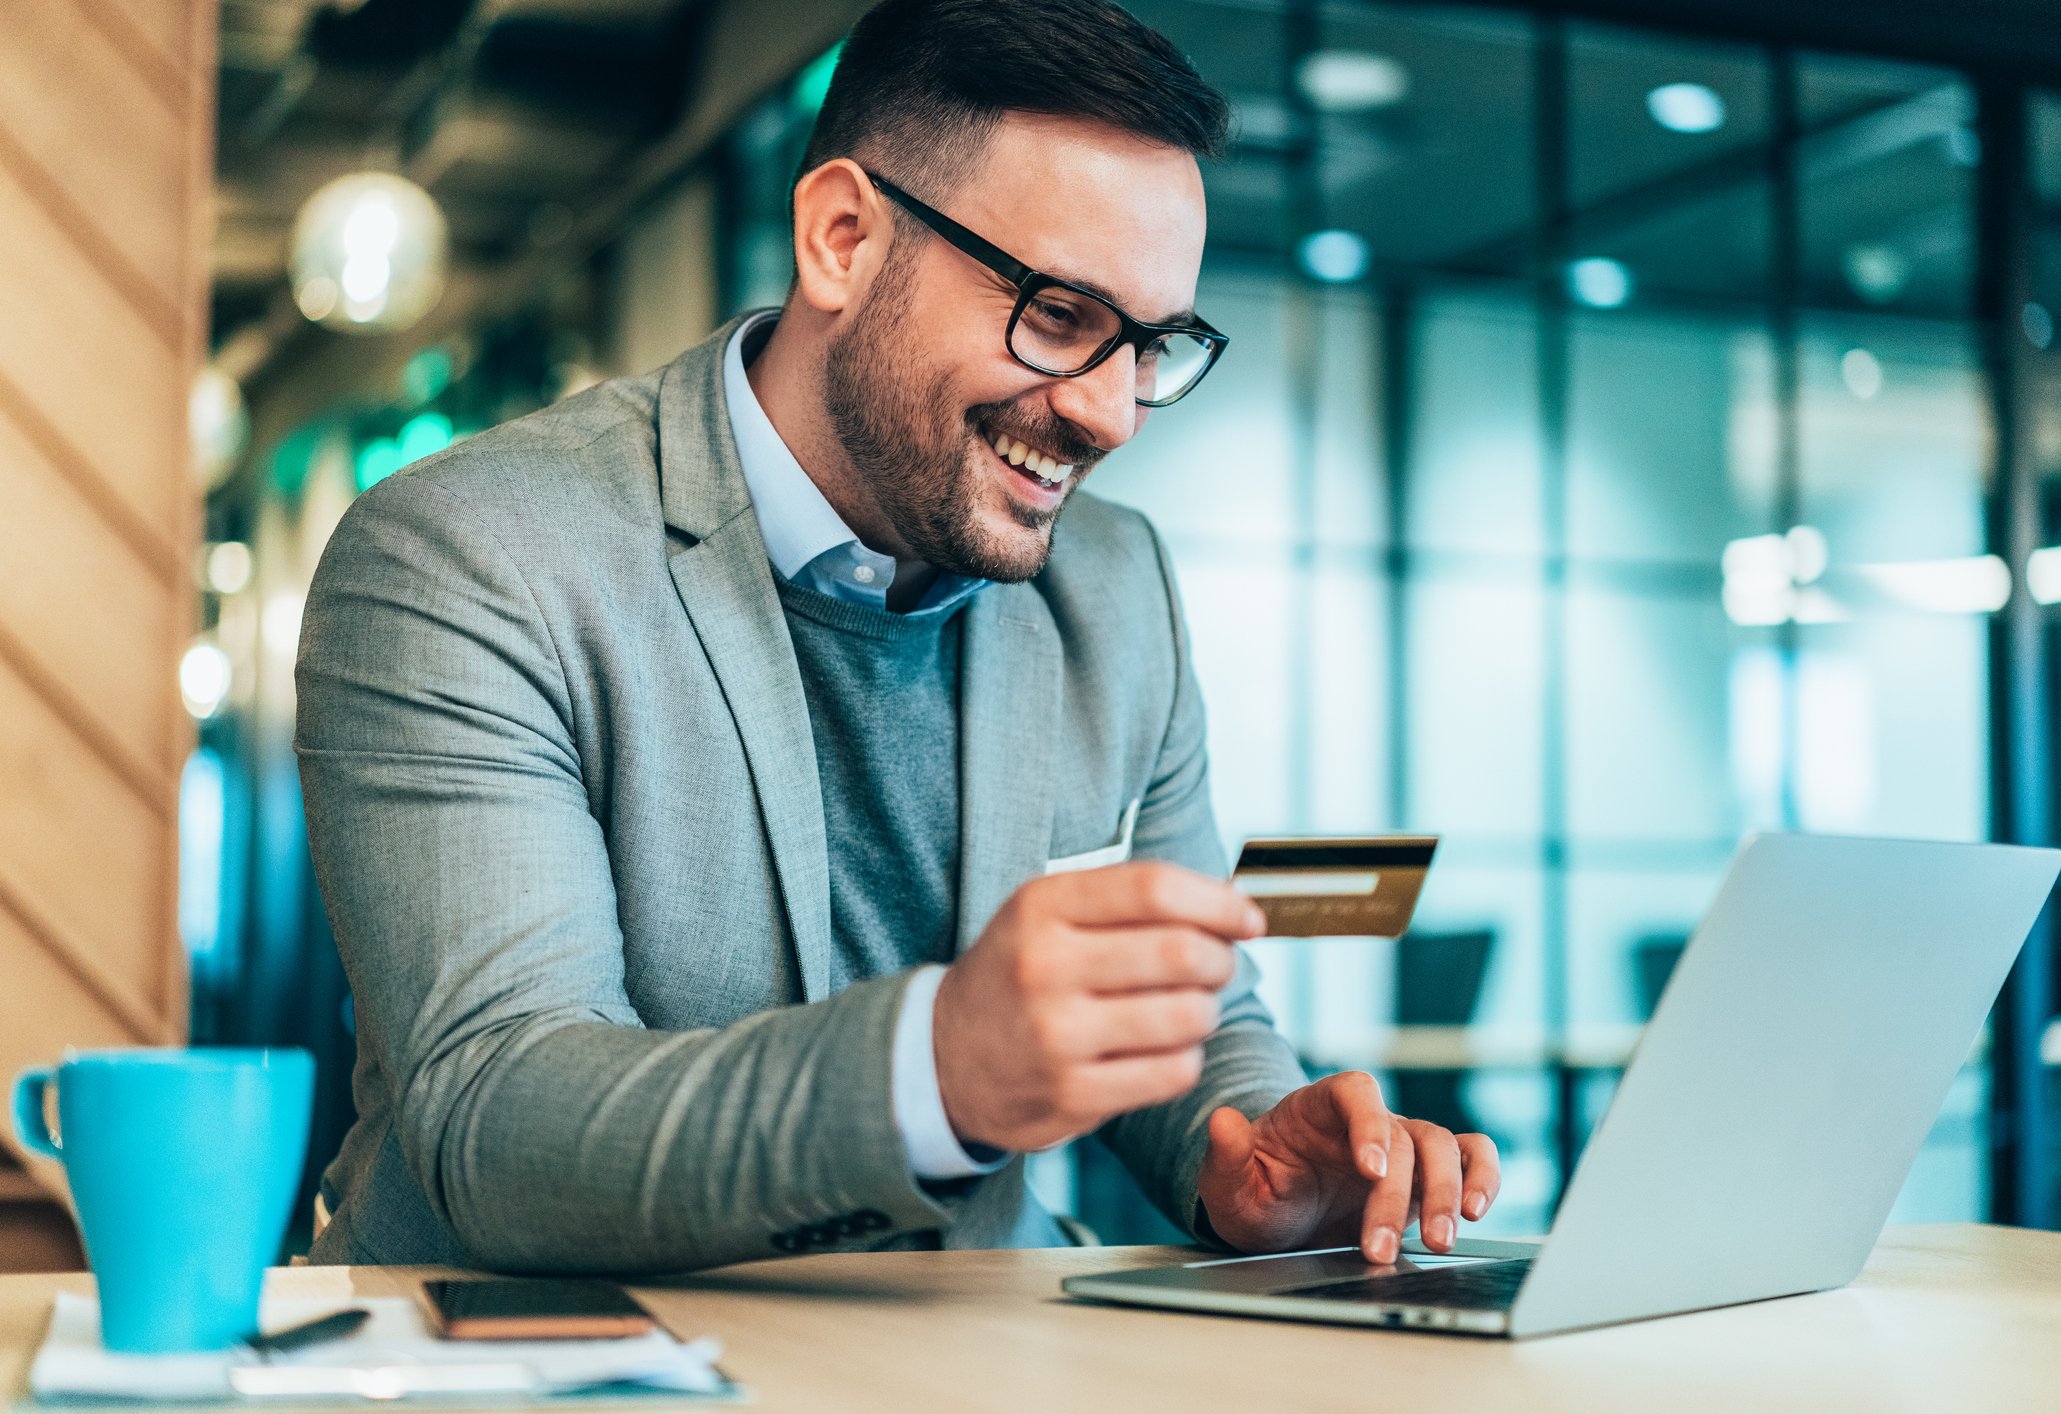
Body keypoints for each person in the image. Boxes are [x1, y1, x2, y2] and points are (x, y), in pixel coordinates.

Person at [297, 0, 1499, 1274]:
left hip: (970, 1341)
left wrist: (1245, 1145)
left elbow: (1188, 1004)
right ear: (843, 238)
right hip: (571, 1346)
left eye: (1153, 346)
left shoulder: (1117, 586)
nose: (1111, 414)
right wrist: (938, 1067)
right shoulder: (471, 551)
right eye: (1059, 313)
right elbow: (499, 1118)